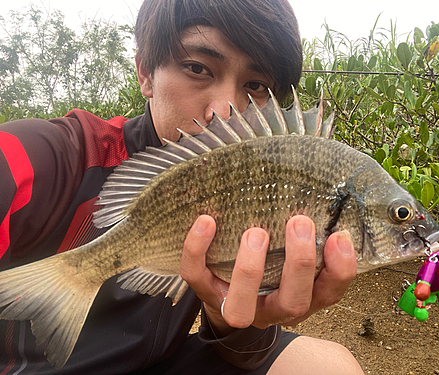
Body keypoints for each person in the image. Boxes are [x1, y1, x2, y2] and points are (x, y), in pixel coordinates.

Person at [0, 0, 363, 373]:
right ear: (145, 72)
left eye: (255, 85)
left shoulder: (260, 183)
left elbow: (241, 356)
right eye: (197, 68)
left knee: (325, 365)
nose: (224, 110)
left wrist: (236, 317)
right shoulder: (43, 157)